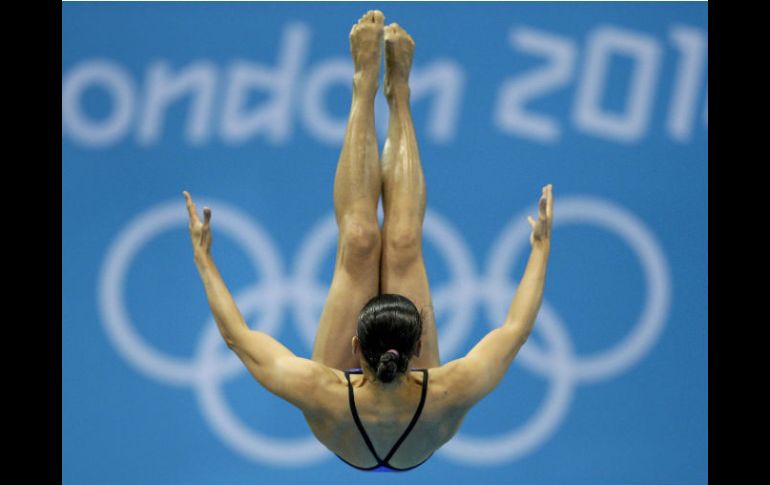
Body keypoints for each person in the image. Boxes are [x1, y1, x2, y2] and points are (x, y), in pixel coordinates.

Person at [183, 10, 553, 472]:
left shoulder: (323, 389)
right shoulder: (447, 389)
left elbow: (237, 337)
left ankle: (363, 87)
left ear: (354, 348)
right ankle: (399, 95)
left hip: (350, 423)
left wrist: (203, 259)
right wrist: (539, 248)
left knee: (358, 242)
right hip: (410, 420)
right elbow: (515, 331)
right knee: (400, 242)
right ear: (420, 350)